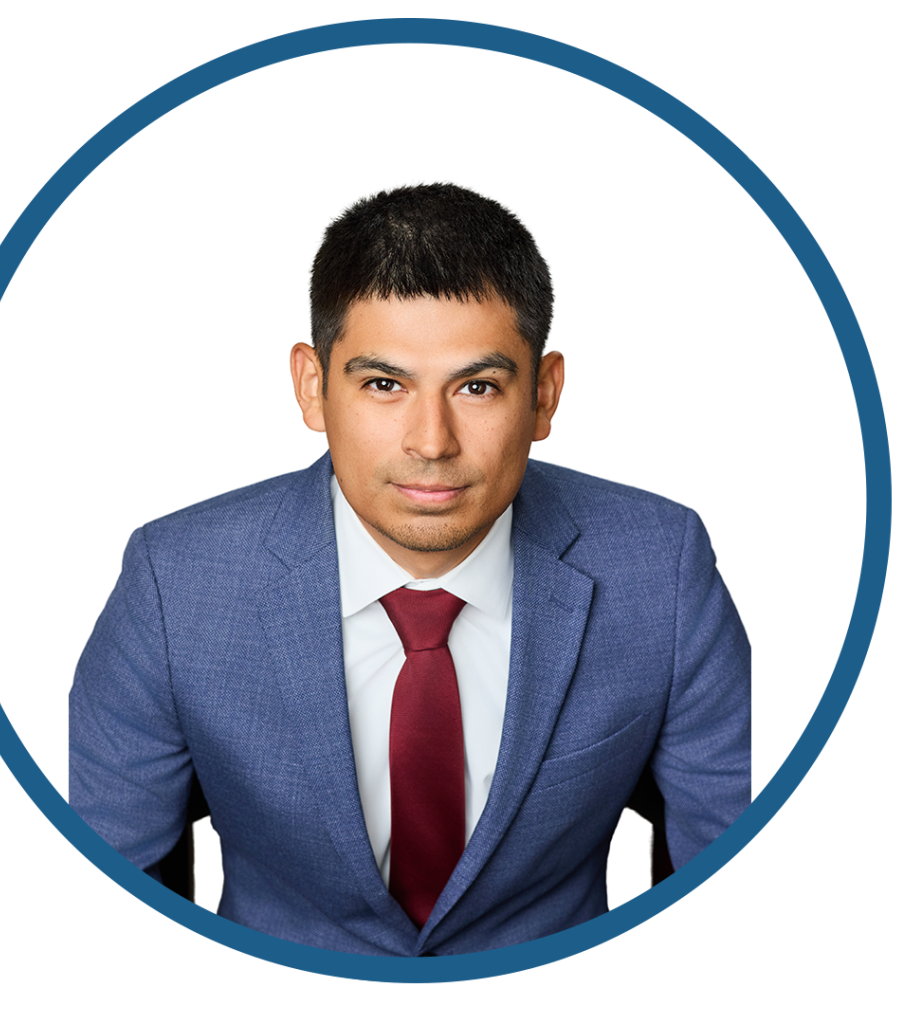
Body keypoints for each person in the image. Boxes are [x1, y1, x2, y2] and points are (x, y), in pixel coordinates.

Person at [70, 183, 750, 957]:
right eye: (384, 385)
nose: (431, 442)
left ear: (543, 395)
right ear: (313, 387)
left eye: (478, 387)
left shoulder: (663, 569)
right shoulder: (175, 583)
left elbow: (736, 887)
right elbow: (107, 896)